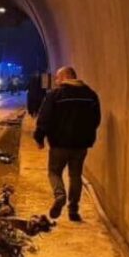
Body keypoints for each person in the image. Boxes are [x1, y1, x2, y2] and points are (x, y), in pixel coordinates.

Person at [34, 66, 101, 222]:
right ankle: (73, 211)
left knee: (54, 172)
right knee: (75, 175)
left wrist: (39, 137)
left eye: (58, 78)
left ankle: (60, 195)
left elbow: (44, 118)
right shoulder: (90, 95)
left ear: (65, 77)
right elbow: (96, 120)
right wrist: (87, 136)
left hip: (59, 144)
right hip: (81, 145)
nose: (56, 81)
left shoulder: (55, 95)